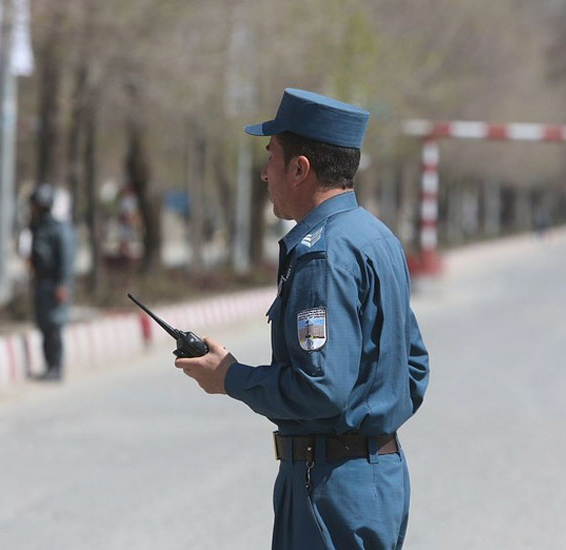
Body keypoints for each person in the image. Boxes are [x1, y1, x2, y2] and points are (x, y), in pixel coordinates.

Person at [175, 88, 430, 550]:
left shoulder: (323, 254)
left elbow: (321, 389)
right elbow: (413, 369)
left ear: (300, 168)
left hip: (329, 490)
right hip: (376, 481)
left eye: (271, 156)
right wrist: (369, 428)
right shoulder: (378, 239)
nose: (264, 172)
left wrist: (230, 377)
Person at [28, 183, 75, 381]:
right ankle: (48, 365)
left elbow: (66, 258)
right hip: (42, 282)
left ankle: (56, 366)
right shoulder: (37, 227)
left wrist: (62, 284)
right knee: (44, 325)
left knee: (54, 326)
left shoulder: (58, 228)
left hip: (55, 284)